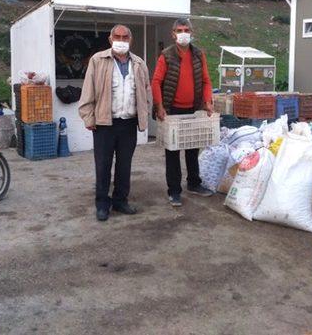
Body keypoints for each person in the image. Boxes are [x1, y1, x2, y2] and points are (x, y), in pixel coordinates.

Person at [79, 25, 152, 221]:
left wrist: (144, 114)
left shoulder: (138, 63)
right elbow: (88, 90)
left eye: (125, 37)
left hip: (128, 122)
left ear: (131, 40)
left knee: (124, 165)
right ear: (110, 39)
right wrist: (88, 117)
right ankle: (102, 204)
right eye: (117, 36)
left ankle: (120, 201)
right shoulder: (98, 60)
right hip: (104, 124)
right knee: (103, 165)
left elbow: (146, 90)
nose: (121, 40)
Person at [152, 18, 214, 207]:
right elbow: (155, 82)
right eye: (179, 30)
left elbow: (206, 81)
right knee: (172, 152)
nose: (183, 33)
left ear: (192, 33)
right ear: (173, 34)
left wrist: (208, 101)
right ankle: (174, 191)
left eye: (186, 29)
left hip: (193, 108)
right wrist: (160, 106)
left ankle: (194, 183)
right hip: (172, 110)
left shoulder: (198, 54)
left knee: (193, 148)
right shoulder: (166, 55)